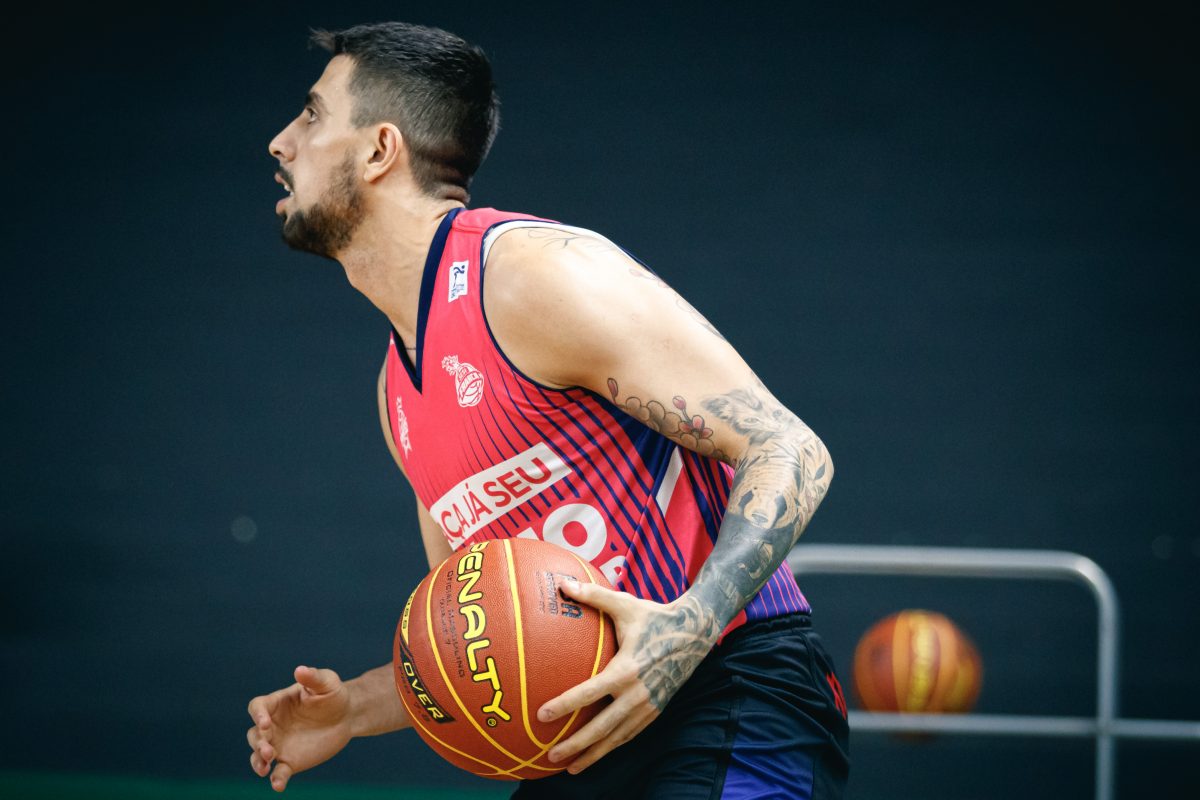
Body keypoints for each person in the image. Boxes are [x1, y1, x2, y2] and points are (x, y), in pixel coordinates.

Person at [246, 21, 849, 799]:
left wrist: (688, 625)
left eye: (312, 114)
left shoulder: (531, 275)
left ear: (379, 149)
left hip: (729, 684)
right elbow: (484, 636)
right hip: (581, 740)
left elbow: (790, 447)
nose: (281, 142)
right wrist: (354, 708)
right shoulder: (397, 392)